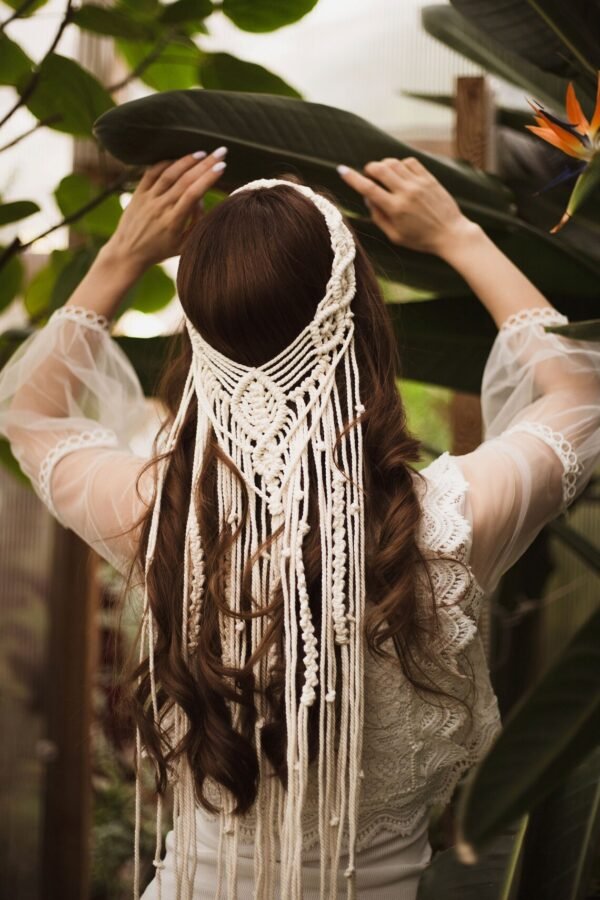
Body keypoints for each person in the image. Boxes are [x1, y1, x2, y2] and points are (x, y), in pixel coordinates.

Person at [0, 146, 598, 900]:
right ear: (359, 328)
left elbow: (30, 411)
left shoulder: (161, 522)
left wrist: (125, 254)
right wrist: (458, 236)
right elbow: (579, 391)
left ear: (200, 344)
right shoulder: (451, 521)